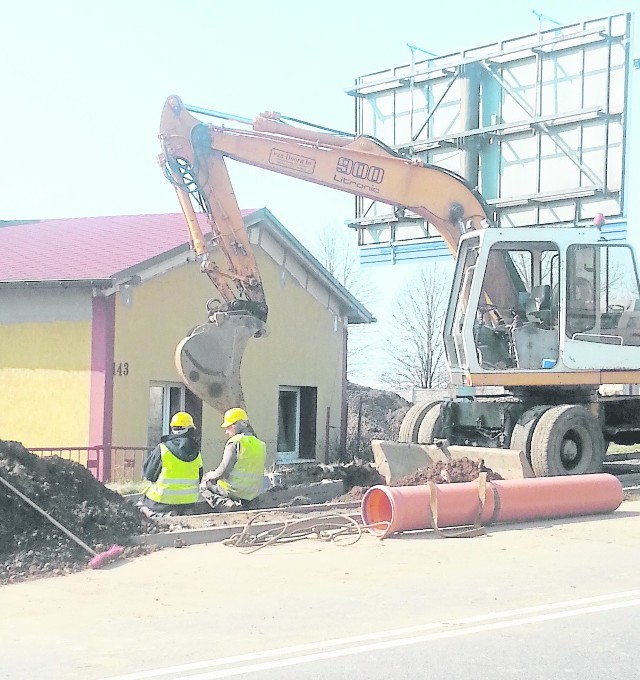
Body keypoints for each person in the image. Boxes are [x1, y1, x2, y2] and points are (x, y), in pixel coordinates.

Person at [200, 407, 267, 511]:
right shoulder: (260, 444)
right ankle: (249, 505)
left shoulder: (235, 442)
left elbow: (223, 471)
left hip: (233, 490)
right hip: (253, 493)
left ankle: (226, 504)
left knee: (204, 485)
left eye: (228, 427)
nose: (226, 432)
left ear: (235, 425)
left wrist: (210, 475)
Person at [139, 411, 203, 518]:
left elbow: (149, 475)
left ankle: (158, 515)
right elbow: (199, 477)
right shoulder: (196, 452)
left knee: (141, 504)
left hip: (161, 502)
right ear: (191, 429)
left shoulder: (163, 449)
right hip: (188, 503)